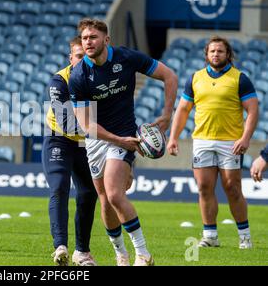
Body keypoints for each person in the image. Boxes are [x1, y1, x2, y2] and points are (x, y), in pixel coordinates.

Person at [69, 18, 178, 266]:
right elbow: (88, 126)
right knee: (105, 201)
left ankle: (143, 254)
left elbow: (170, 76)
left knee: (116, 195)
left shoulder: (126, 58)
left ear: (106, 40)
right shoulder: (78, 76)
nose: (88, 42)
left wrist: (167, 115)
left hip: (125, 133)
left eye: (93, 37)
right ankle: (121, 254)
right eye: (85, 38)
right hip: (99, 139)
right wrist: (119, 140)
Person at [167, 36, 259, 249]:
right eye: (212, 51)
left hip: (230, 143)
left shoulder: (240, 78)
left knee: (232, 188)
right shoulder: (195, 78)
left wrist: (245, 138)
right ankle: (210, 236)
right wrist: (172, 138)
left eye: (220, 51)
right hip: (202, 142)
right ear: (206, 54)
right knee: (204, 187)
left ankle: (244, 236)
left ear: (228, 54)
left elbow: (253, 110)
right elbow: (182, 110)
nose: (216, 54)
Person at [43, 36, 98, 266]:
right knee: (59, 187)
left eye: (86, 57)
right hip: (60, 139)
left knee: (88, 194)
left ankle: (82, 253)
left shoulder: (100, 78)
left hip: (87, 143)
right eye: (78, 56)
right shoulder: (60, 80)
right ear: (70, 58)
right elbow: (67, 124)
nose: (82, 60)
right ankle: (61, 247)